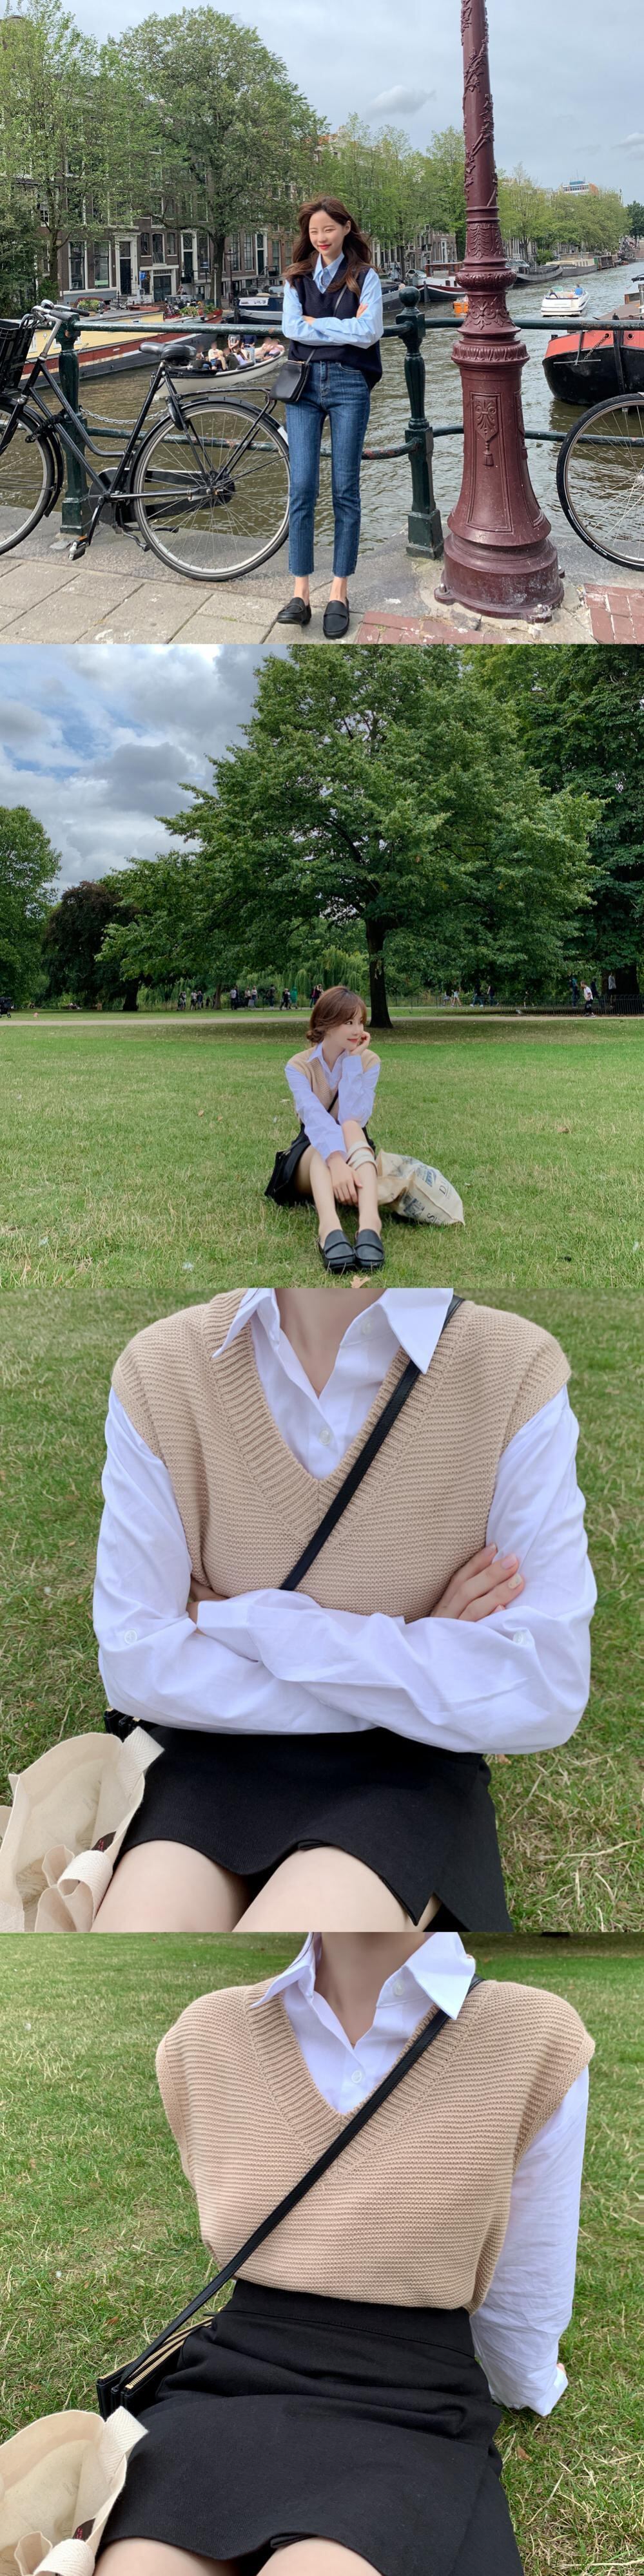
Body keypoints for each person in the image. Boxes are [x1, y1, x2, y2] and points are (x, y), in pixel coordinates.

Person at [89, 1276, 596, 1933]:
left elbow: (544, 1685)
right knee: (140, 1959)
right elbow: (136, 1665)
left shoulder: (511, 1369)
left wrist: (245, 1624)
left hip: (406, 1767)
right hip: (212, 1752)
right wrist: (418, 1645)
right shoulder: (164, 1369)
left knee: (279, 1962)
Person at [97, 1928, 594, 2576]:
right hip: (238, 2382)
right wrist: (529, 2384)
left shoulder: (532, 2037)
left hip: (399, 2404)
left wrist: (527, 2380)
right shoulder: (203, 2035)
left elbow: (526, 2285)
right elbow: (523, 2289)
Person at [277, 197, 384, 641]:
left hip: (348, 385)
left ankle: (339, 591)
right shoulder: (296, 278)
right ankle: (300, 592)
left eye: (329, 229)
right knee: (302, 486)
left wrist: (315, 323)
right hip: (302, 386)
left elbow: (370, 332)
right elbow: (291, 329)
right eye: (314, 231)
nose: (321, 238)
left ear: (346, 228)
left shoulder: (365, 277)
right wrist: (342, 328)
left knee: (345, 488)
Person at [266, 985, 384, 1275]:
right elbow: (314, 1118)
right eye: (349, 1022)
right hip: (311, 1150)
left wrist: (353, 1061)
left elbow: (354, 1117)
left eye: (361, 1022)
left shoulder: (369, 1061)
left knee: (352, 1127)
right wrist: (336, 1162)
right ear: (327, 1023)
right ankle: (329, 1228)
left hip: (354, 1144)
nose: (358, 1030)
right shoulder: (299, 1065)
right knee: (323, 1149)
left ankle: (371, 1225)